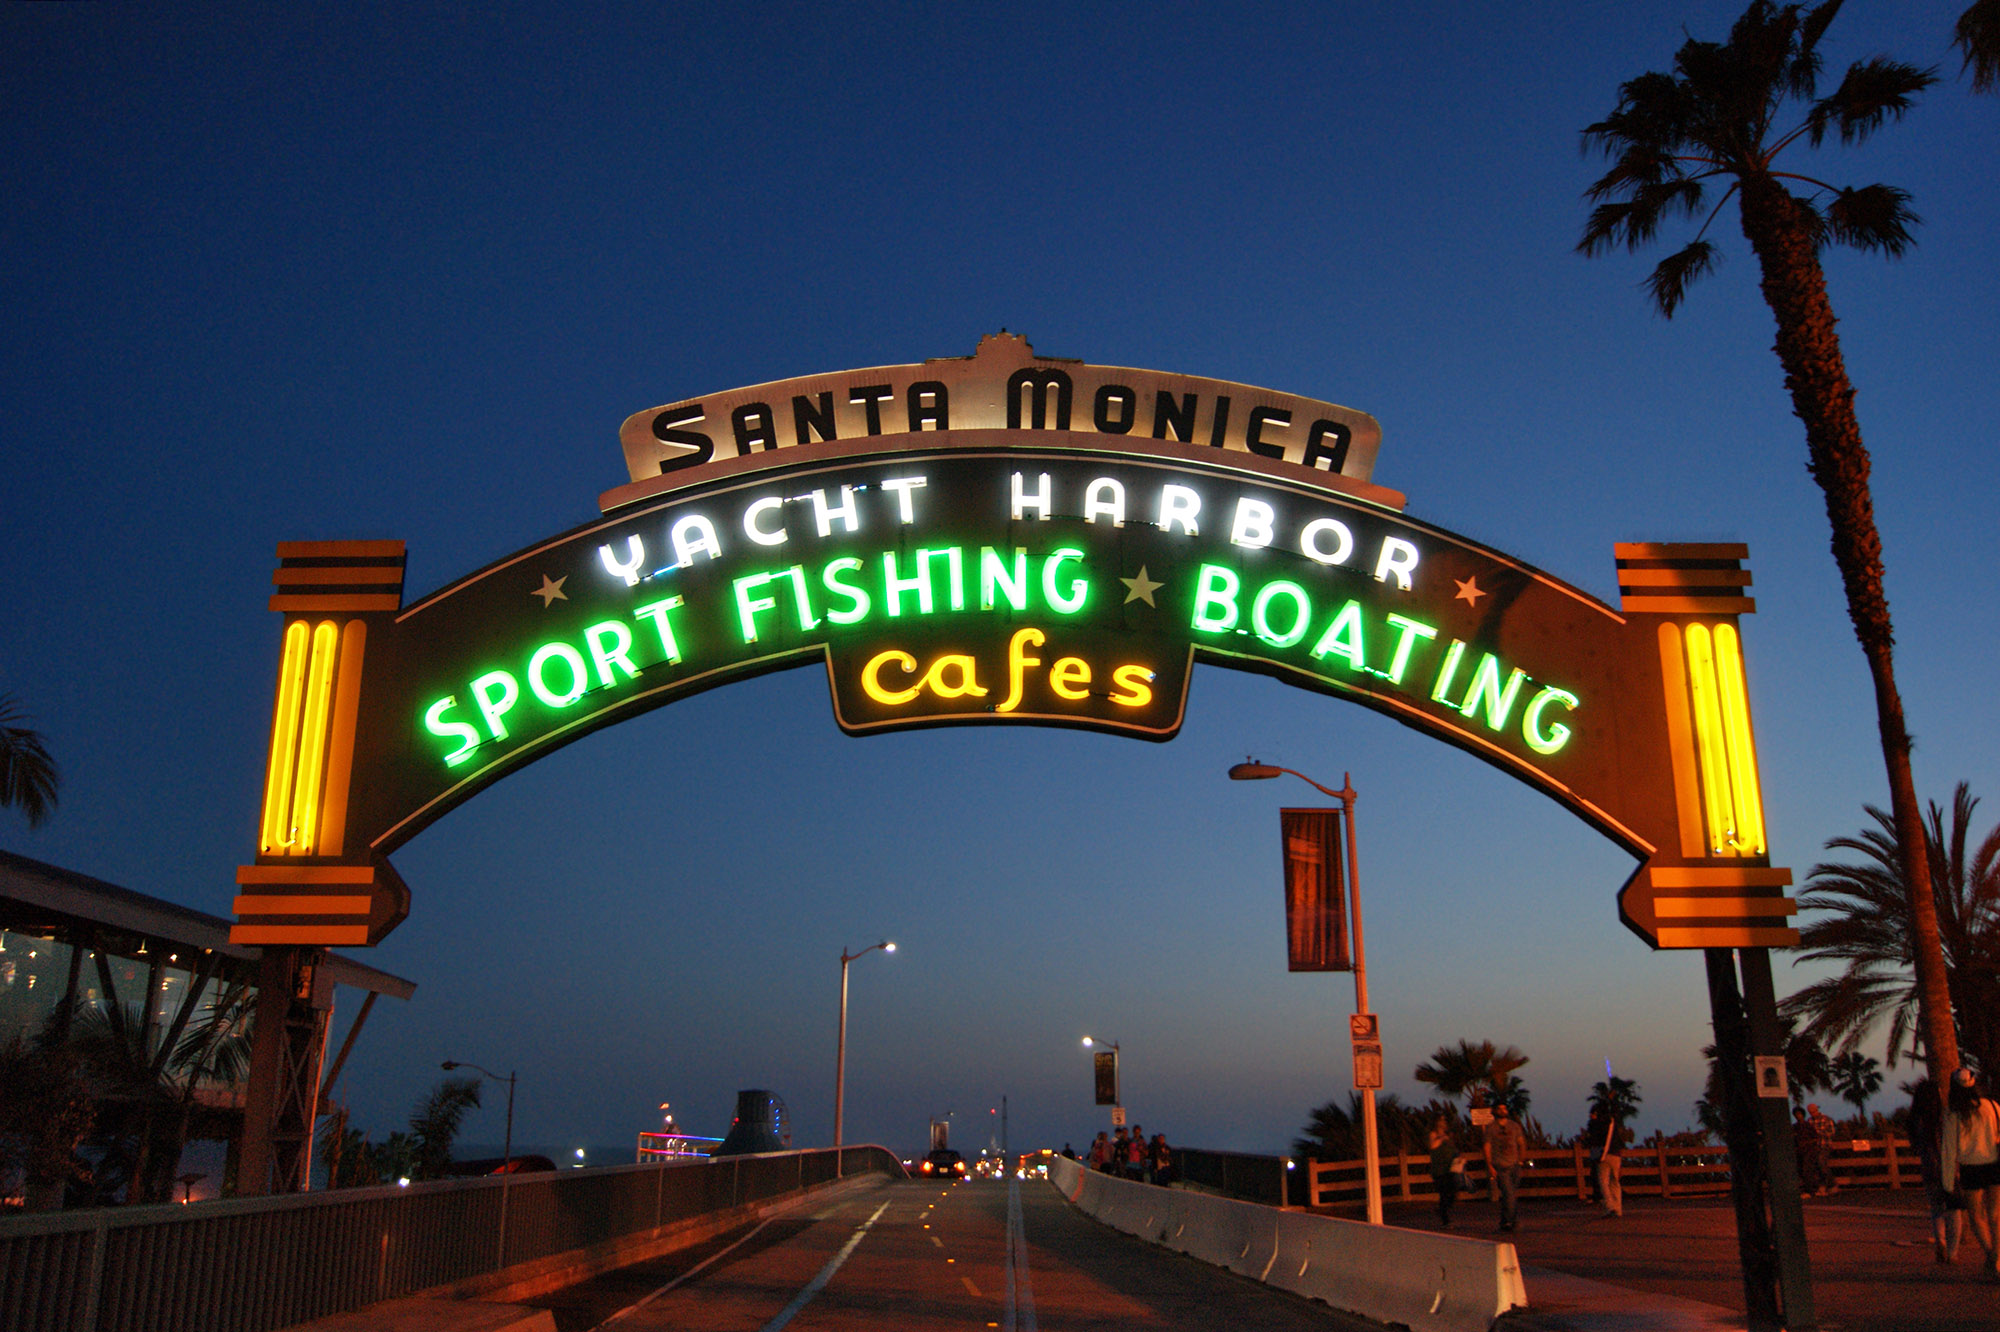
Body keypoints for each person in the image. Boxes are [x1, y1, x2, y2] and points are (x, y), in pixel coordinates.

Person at [1943, 1068, 2000, 1280]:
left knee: (1977, 1216)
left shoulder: (1952, 1112)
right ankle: (1997, 1256)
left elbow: (1948, 1150)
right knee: (1995, 1215)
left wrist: (1947, 1183)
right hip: (1994, 1164)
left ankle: (1991, 1254)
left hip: (1971, 1168)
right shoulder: (1993, 1106)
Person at [1907, 1078, 1963, 1264]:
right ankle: (1953, 1253)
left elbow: (1916, 1146)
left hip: (1929, 1170)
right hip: (1948, 1170)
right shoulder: (1944, 1117)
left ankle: (1940, 1241)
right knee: (1954, 1211)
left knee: (1936, 1208)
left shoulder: (1916, 1121)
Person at [1482, 1101, 1529, 1232]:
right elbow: (1487, 1146)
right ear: (1495, 1111)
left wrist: (1521, 1161)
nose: (1503, 1111)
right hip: (1500, 1165)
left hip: (1514, 1164)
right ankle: (1509, 1221)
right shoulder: (1491, 1128)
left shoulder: (1514, 1126)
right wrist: (1490, 1165)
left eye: (1505, 1108)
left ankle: (1506, 1221)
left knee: (1511, 1195)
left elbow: (1521, 1142)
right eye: (1500, 1109)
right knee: (1508, 1194)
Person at [1586, 1105, 1625, 1217]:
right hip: (1616, 1155)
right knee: (1615, 1182)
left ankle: (1610, 1206)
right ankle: (1618, 1209)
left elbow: (1597, 1140)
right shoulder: (1613, 1123)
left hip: (1605, 1155)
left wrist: (1600, 1156)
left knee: (1603, 1182)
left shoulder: (1598, 1124)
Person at [1427, 1116, 1461, 1228]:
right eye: (1440, 1120)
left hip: (1451, 1168)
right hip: (1439, 1170)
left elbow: (1453, 1150)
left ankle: (1441, 1211)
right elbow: (1433, 1146)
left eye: (1444, 1120)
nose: (1443, 1123)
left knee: (1453, 1193)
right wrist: (1441, 1138)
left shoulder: (1448, 1135)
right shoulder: (1434, 1135)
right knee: (1444, 1194)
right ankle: (1445, 1220)